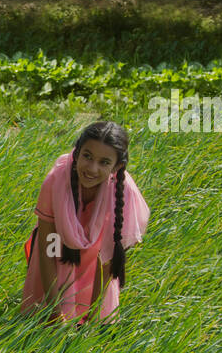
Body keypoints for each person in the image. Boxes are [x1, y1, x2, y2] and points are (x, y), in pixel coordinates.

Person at [19, 121, 149, 326]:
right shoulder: (56, 181)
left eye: (104, 162)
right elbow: (48, 249)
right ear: (77, 152)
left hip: (94, 262)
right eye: (87, 156)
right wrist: (55, 312)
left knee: (91, 325)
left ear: (117, 167)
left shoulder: (122, 194)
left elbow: (106, 263)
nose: (92, 168)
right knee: (41, 323)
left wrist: (92, 319)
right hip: (55, 252)